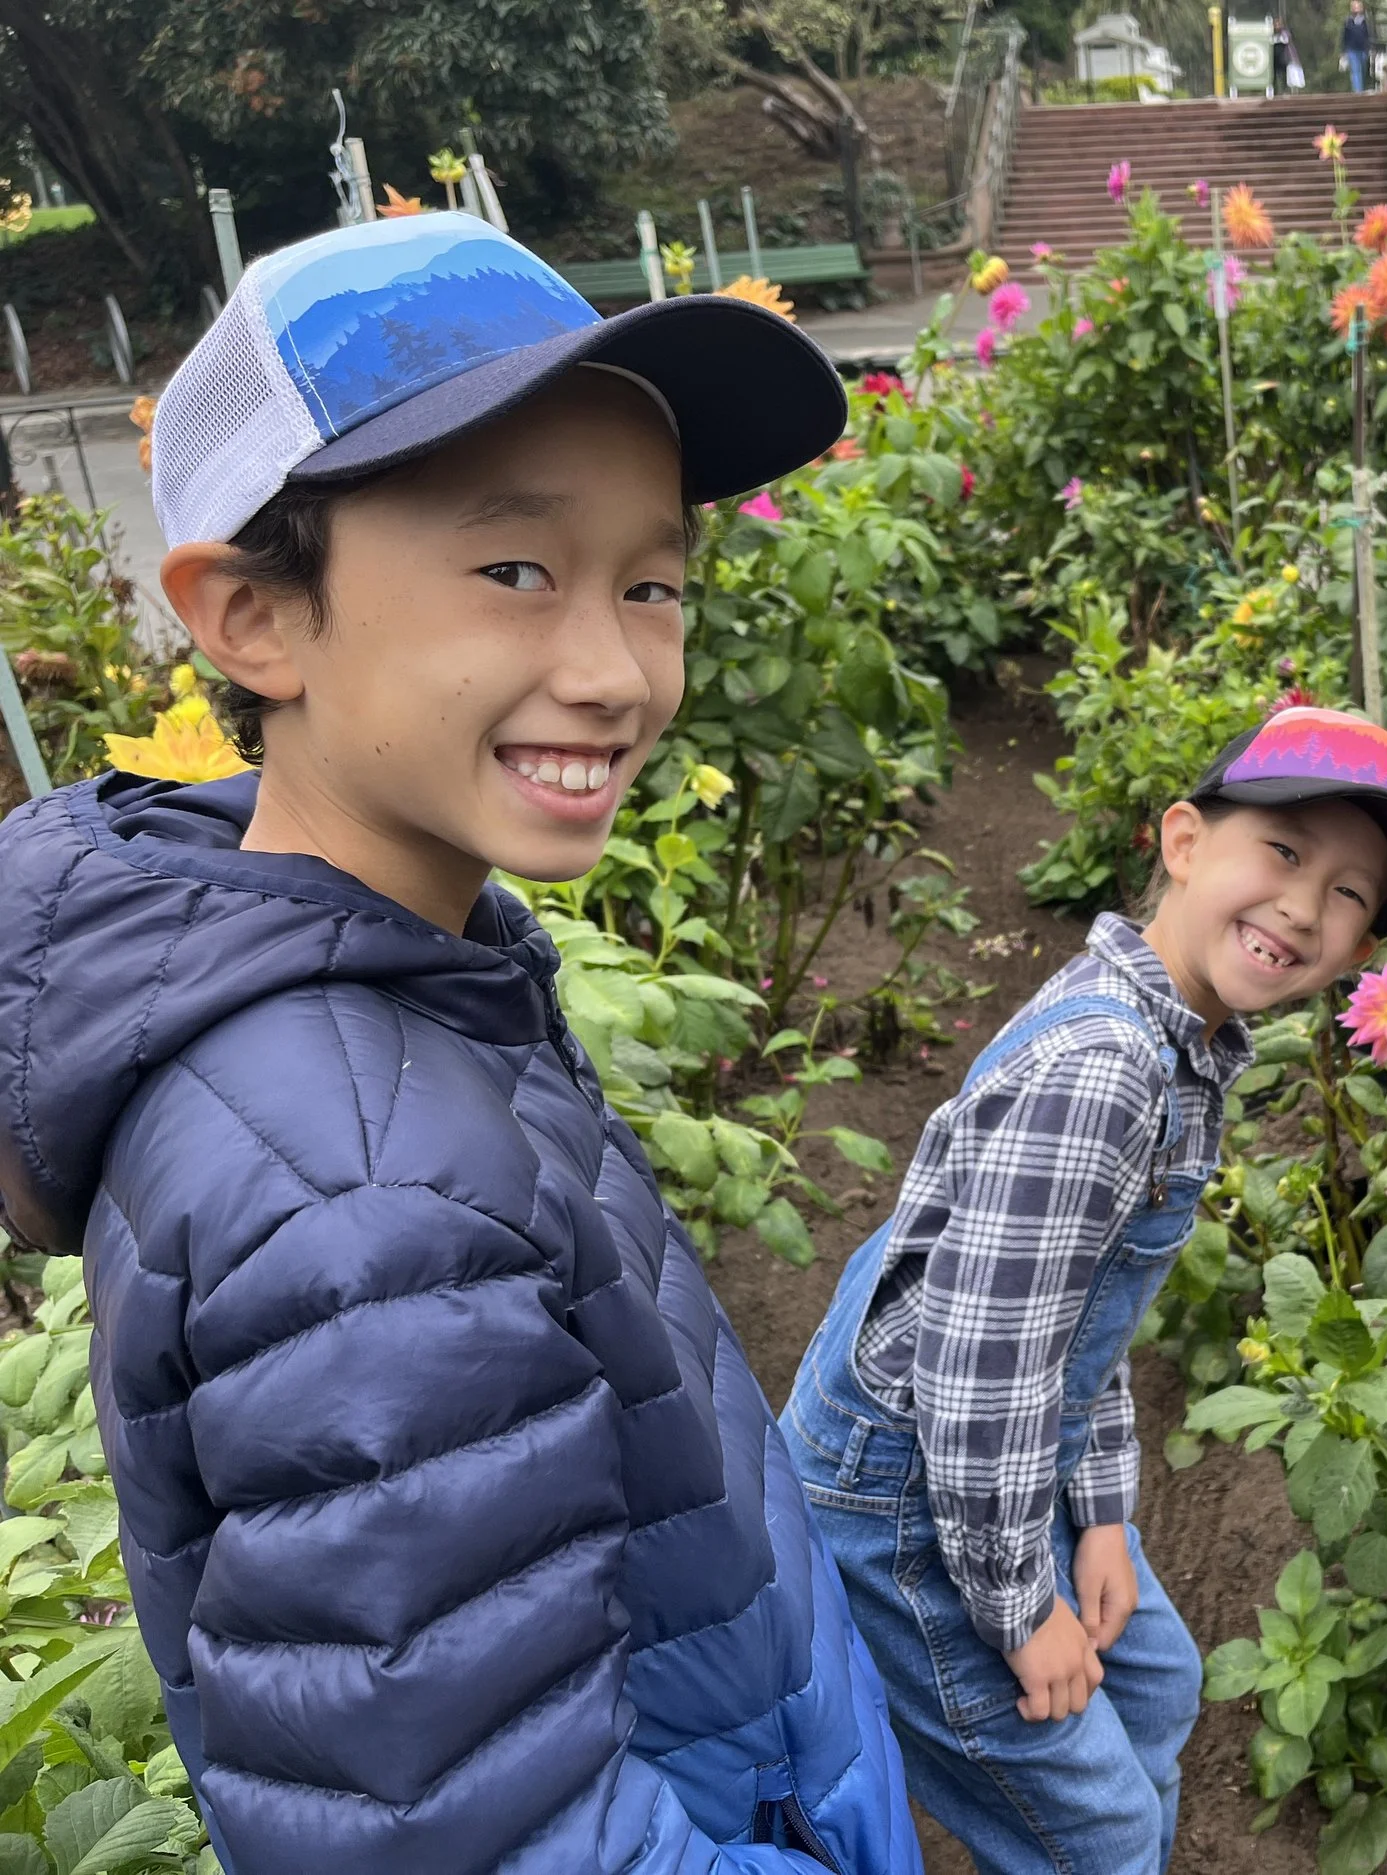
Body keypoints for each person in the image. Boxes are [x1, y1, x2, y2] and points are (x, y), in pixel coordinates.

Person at [0, 213, 922, 1875]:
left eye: (653, 583)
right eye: (516, 571)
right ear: (256, 620)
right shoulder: (357, 1188)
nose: (614, 667)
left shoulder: (398, 979)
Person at [783, 707, 1387, 1874]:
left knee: (1154, 1681)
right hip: (905, 1495)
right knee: (1096, 1834)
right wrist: (1016, 1610)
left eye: (1351, 894)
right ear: (1185, 841)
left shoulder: (1178, 1039)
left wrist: (1098, 1520)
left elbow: (1073, 1334)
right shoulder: (1106, 1070)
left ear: (1360, 952)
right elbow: (979, 1374)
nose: (1304, 907)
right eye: (1285, 853)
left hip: (1000, 1452)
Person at [1341, 0, 1371, 91]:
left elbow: (1369, 35)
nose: (1357, 8)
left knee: (1363, 69)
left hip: (1363, 49)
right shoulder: (1348, 21)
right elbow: (1344, 36)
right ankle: (1358, 92)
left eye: (1358, 6)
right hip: (1352, 49)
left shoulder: (1365, 21)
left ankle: (1361, 88)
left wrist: (1370, 48)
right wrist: (1343, 51)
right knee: (1356, 70)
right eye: (1355, 6)